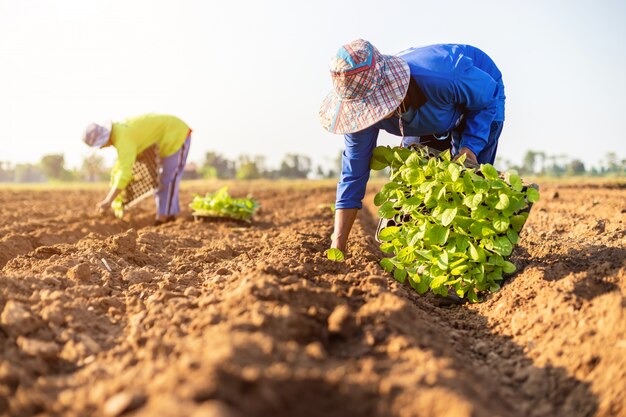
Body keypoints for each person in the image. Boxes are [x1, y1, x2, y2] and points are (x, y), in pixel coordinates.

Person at [319, 39, 506, 253]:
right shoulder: (360, 113)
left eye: (376, 104)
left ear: (389, 86)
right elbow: (353, 175)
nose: (371, 113)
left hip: (480, 97)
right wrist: (338, 245)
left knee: (469, 187)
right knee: (414, 188)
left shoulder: (445, 74)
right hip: (423, 116)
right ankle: (424, 258)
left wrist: (470, 147)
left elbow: (487, 98)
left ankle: (473, 255)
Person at [82, 113, 192, 225]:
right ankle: (167, 215)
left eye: (99, 145)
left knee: (168, 179)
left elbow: (124, 172)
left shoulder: (123, 139)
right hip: (165, 138)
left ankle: (165, 217)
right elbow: (121, 165)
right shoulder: (119, 131)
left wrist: (108, 201)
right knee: (160, 182)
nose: (101, 148)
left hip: (176, 134)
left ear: (104, 138)